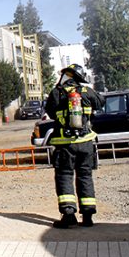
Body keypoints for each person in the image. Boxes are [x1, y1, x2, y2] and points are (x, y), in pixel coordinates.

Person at [45, 64, 106, 228]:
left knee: (65, 176)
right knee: (85, 176)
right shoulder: (86, 91)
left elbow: (50, 111)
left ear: (67, 76)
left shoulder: (56, 93)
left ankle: (69, 215)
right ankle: (87, 217)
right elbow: (101, 102)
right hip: (86, 143)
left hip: (66, 144)